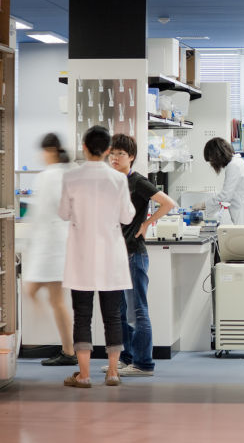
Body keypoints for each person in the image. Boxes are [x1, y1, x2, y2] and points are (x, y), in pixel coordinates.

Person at [58, 126, 135, 388]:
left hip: (81, 256)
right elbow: (127, 216)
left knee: (82, 315)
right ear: (108, 150)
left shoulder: (71, 177)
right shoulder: (118, 179)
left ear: (84, 146)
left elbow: (63, 213)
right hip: (111, 255)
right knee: (113, 316)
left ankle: (84, 375)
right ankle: (112, 372)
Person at [107, 134, 176, 377]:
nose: (115, 158)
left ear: (131, 157)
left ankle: (144, 363)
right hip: (116, 254)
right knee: (120, 312)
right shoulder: (113, 182)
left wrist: (147, 223)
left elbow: (168, 203)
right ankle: (127, 359)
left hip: (134, 254)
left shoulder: (137, 181)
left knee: (137, 311)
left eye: (120, 154)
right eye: (112, 154)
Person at [23, 134, 76, 366]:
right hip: (58, 244)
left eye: (43, 151)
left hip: (51, 246)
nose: (41, 156)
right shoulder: (66, 173)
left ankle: (40, 335)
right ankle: (68, 350)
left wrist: (30, 238)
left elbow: (41, 212)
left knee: (32, 290)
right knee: (56, 300)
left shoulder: (49, 176)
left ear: (51, 151)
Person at [194, 137, 244, 225]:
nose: (212, 164)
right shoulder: (238, 162)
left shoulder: (234, 166)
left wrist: (204, 205)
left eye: (211, 160)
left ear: (217, 155)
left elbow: (225, 196)